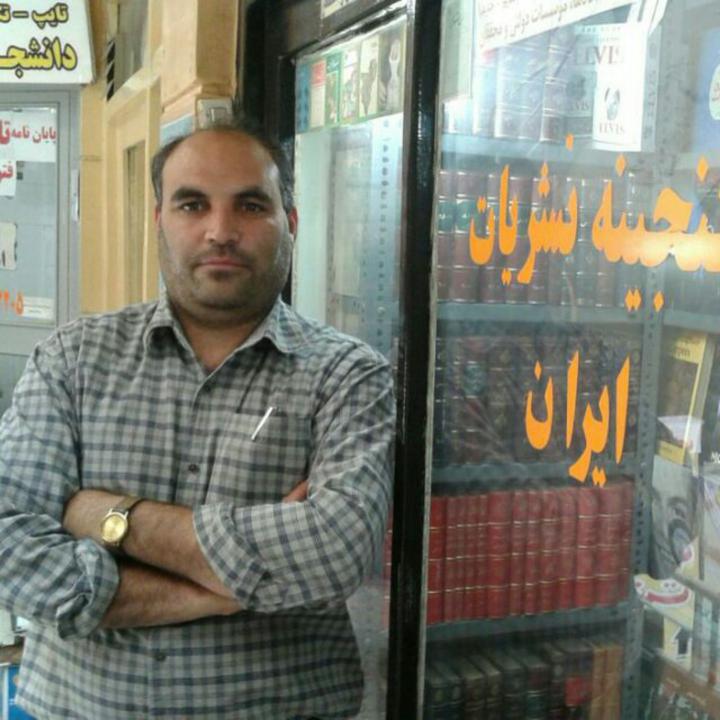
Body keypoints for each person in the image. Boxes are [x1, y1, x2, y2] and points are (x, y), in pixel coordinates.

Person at [0, 118, 395, 719]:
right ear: (159, 219)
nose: (220, 230)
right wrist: (219, 594)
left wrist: (111, 517)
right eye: (192, 204)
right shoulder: (72, 358)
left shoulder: (348, 375)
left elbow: (336, 550)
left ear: (290, 221)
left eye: (251, 206)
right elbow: (8, 542)